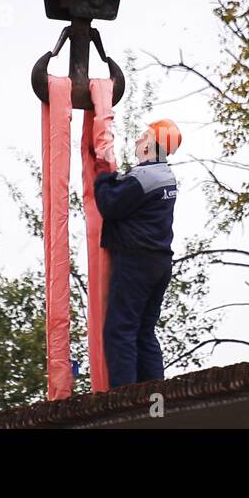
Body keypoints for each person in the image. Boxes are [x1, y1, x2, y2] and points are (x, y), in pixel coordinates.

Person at [94, 118, 182, 388]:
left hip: (137, 260)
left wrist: (103, 175)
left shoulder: (145, 177)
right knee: (144, 331)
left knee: (120, 330)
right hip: (159, 262)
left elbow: (109, 205)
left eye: (143, 136)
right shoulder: (166, 177)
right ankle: (154, 400)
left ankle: (125, 403)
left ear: (153, 145)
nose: (137, 140)